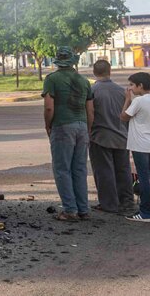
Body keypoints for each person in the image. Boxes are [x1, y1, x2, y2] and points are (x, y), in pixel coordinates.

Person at [42, 46, 94, 221]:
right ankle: (83, 209)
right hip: (82, 126)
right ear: (73, 61)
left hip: (63, 126)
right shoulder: (84, 81)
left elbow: (49, 107)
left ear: (57, 61)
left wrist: (48, 125)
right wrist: (87, 129)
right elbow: (90, 110)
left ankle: (70, 210)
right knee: (79, 169)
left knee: (62, 169)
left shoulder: (52, 79)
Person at [89, 61, 135, 214]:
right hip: (121, 137)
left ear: (94, 72)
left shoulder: (92, 91)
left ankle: (109, 204)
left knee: (104, 171)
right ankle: (127, 202)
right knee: (123, 171)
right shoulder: (122, 91)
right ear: (110, 71)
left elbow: (89, 114)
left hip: (100, 137)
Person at [121, 72, 150, 222]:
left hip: (140, 144)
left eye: (132, 85)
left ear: (140, 86)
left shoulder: (138, 101)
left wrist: (127, 100)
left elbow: (123, 117)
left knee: (143, 177)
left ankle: (145, 212)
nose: (130, 88)